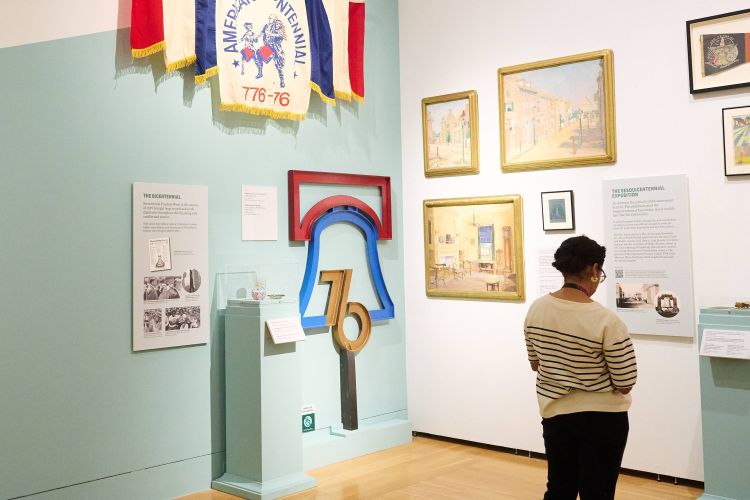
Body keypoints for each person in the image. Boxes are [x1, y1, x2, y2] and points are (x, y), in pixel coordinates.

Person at [523, 235, 637, 499]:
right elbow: (624, 383)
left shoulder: (536, 310)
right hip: (603, 419)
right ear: (593, 269)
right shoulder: (606, 320)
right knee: (597, 492)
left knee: (559, 488)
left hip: (555, 415)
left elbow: (535, 364)